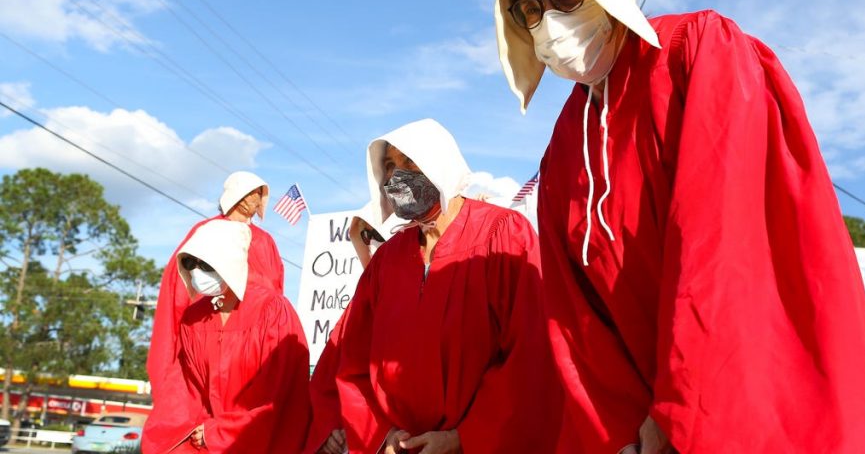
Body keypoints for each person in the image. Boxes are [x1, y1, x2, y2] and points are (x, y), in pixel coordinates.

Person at [493, 0, 865, 453]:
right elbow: (574, 313)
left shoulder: (695, 52)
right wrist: (623, 428)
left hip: (748, 400)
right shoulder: (565, 143)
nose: (549, 21)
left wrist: (682, 405)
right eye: (530, 9)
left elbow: (725, 238)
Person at [304, 118, 560, 454]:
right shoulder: (386, 262)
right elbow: (352, 360)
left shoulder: (503, 235)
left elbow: (530, 353)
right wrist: (382, 434)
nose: (397, 176)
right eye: (389, 166)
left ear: (439, 162)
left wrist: (464, 437)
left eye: (409, 162)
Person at [143, 171, 286, 453]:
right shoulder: (205, 232)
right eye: (251, 192)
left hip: (252, 346)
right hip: (205, 341)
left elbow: (275, 292)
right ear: (237, 196)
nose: (257, 199)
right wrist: (167, 370)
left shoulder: (265, 241)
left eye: (260, 193)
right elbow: (175, 297)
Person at [152, 218, 309, 453]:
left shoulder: (272, 310)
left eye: (206, 264)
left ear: (231, 261)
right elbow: (188, 392)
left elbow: (277, 392)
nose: (196, 272)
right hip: (205, 443)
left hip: (265, 442)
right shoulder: (193, 318)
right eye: (190, 263)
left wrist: (221, 432)